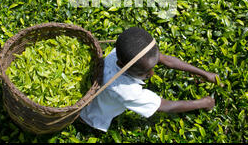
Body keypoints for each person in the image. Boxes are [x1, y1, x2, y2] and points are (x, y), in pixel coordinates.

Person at [79, 27, 218, 132]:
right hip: (92, 115)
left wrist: (204, 73)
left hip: (98, 87)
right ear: (121, 66)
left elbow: (167, 60)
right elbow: (165, 106)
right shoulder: (125, 91)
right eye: (144, 72)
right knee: (94, 118)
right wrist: (203, 102)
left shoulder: (122, 53)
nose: (151, 73)